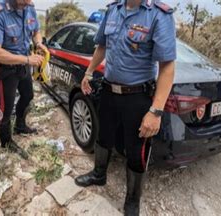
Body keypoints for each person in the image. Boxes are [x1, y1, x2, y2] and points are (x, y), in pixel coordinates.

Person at [74, 0, 176, 215]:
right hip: (110, 91)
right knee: (103, 137)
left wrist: (155, 111)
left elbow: (167, 67)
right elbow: (102, 45)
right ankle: (99, 174)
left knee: (136, 151)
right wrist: (89, 72)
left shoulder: (159, 15)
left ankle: (132, 201)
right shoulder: (112, 10)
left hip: (137, 98)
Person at [0, 0, 47, 159]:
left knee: (28, 96)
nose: (28, 2)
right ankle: (6, 142)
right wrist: (26, 60)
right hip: (5, 69)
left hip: (24, 63)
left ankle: (20, 125)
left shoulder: (29, 7)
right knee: (4, 110)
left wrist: (38, 43)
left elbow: (36, 30)